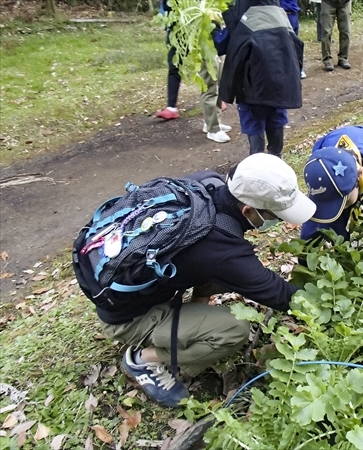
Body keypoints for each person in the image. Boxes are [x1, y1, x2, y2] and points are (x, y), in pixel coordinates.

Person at [78, 154, 316, 407]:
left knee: (213, 267)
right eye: (276, 216)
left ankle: (191, 318)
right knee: (234, 330)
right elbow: (282, 295)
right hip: (126, 318)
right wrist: (325, 308)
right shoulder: (223, 252)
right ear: (247, 210)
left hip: (122, 278)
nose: (278, 222)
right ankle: (144, 360)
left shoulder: (207, 182)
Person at [219, 0, 303, 156]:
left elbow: (221, 45)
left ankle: (258, 164)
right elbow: (297, 45)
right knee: (276, 119)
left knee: (254, 127)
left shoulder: (242, 17)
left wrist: (213, 26)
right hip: (280, 83)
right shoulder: (280, 15)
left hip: (252, 88)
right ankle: (276, 161)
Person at [155, 0, 231, 144]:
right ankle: (212, 128)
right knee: (209, 83)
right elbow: (170, 8)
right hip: (201, 37)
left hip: (216, 34)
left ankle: (214, 121)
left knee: (218, 81)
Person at [320, 0, 351, 71]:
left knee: (346, 31)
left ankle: (343, 58)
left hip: (345, 3)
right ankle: (327, 60)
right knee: (326, 32)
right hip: (328, 3)